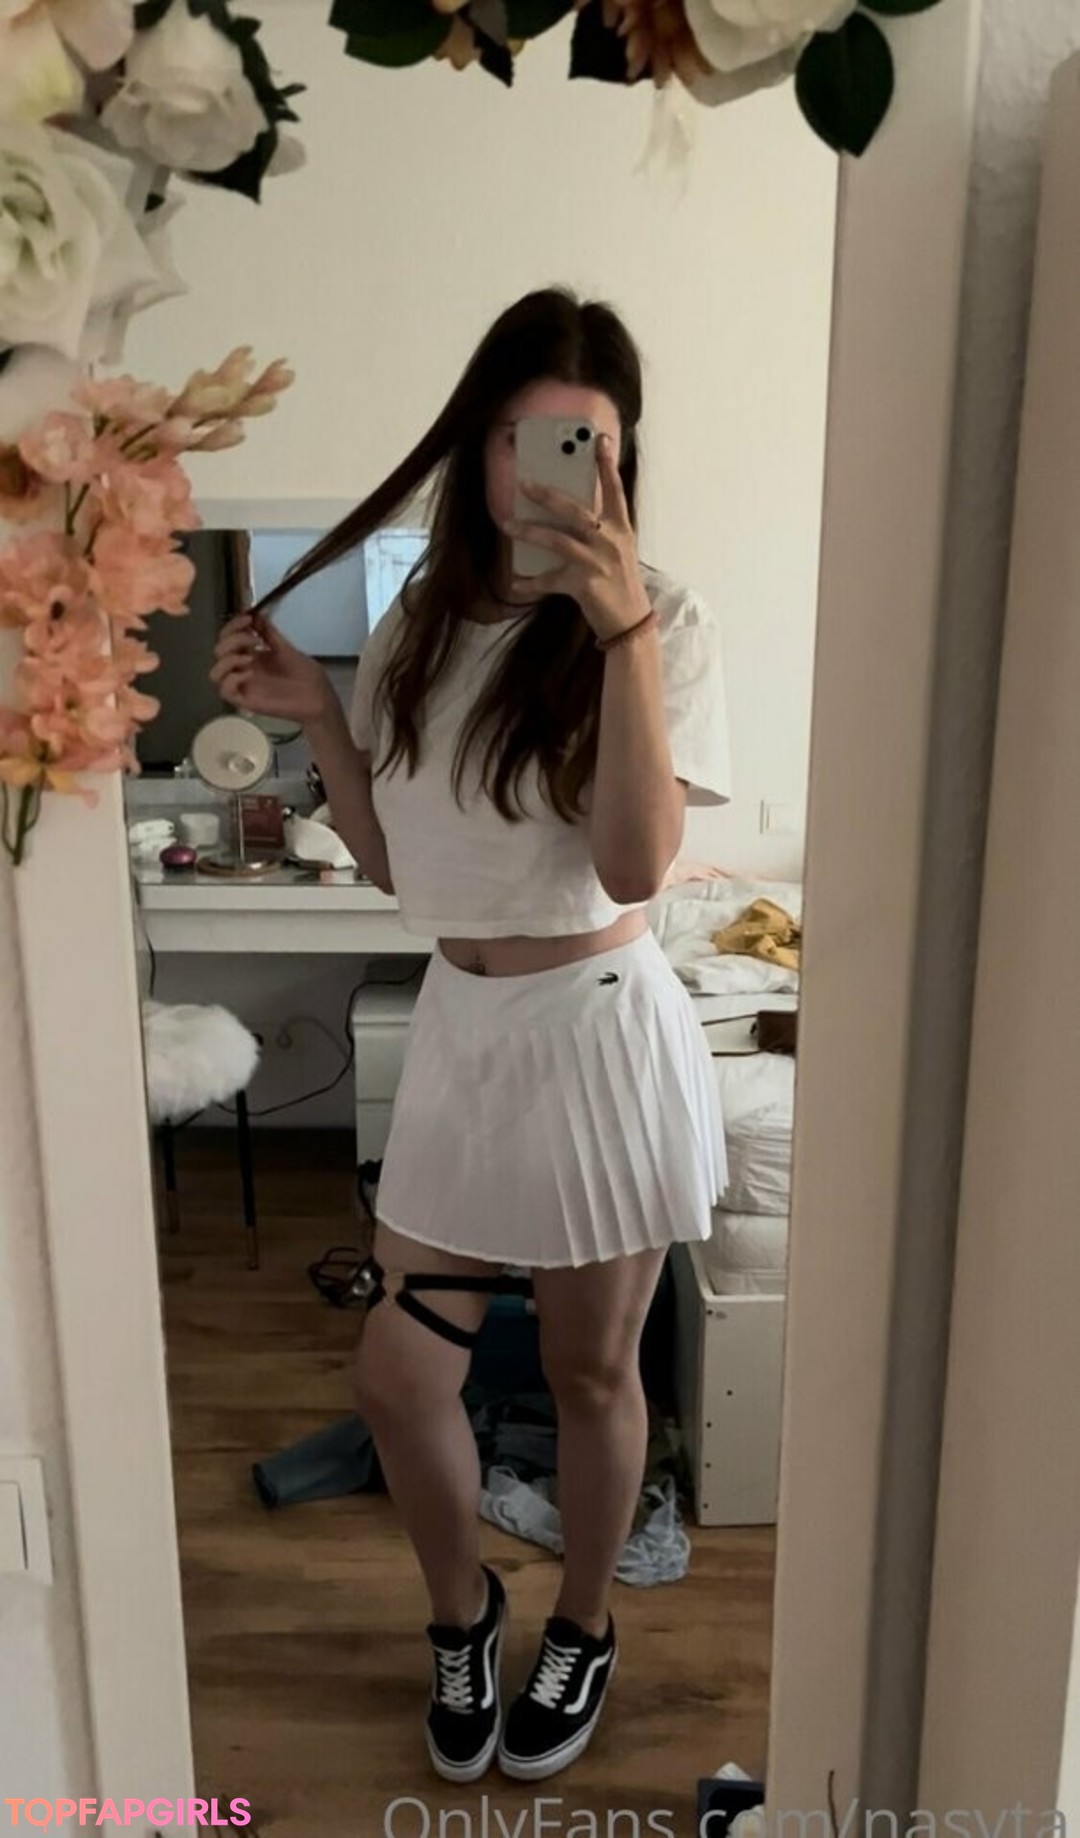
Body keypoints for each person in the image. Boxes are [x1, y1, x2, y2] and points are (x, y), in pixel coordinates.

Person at [210, 286, 732, 1786]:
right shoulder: (421, 621)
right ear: (473, 446)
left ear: (623, 457)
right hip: (464, 1033)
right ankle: (463, 1613)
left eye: (583, 441)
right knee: (397, 1377)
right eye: (516, 436)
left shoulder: (665, 618)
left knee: (588, 1372)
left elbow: (633, 864)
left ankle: (583, 1622)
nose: (543, 469)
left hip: (597, 1034)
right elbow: (402, 868)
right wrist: (322, 716)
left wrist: (620, 630)